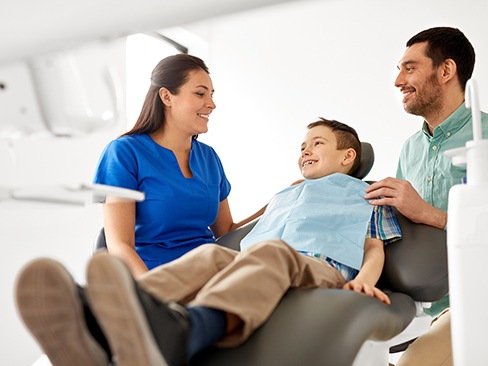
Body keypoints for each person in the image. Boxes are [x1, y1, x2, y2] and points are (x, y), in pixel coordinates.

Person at [16, 118, 402, 366]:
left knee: (270, 252)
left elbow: (373, 246)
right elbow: (243, 229)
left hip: (323, 268)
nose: (305, 150)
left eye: (316, 143)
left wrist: (366, 279)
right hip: (270, 262)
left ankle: (188, 329)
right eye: (302, 145)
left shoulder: (367, 193)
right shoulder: (288, 193)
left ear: (348, 156)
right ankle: (102, 319)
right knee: (210, 254)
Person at [365, 27, 488, 365]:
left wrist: (429, 214)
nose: (398, 81)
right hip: (419, 307)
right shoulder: (411, 148)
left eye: (410, 67)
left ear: (445, 70)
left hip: (476, 301)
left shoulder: (486, 137)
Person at [93, 54, 262, 277]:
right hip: (155, 278)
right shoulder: (124, 152)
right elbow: (119, 246)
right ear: (166, 97)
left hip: (210, 273)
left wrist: (284, 200)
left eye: (211, 95)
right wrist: (154, 294)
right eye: (200, 94)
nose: (211, 104)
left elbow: (228, 232)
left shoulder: (209, 157)